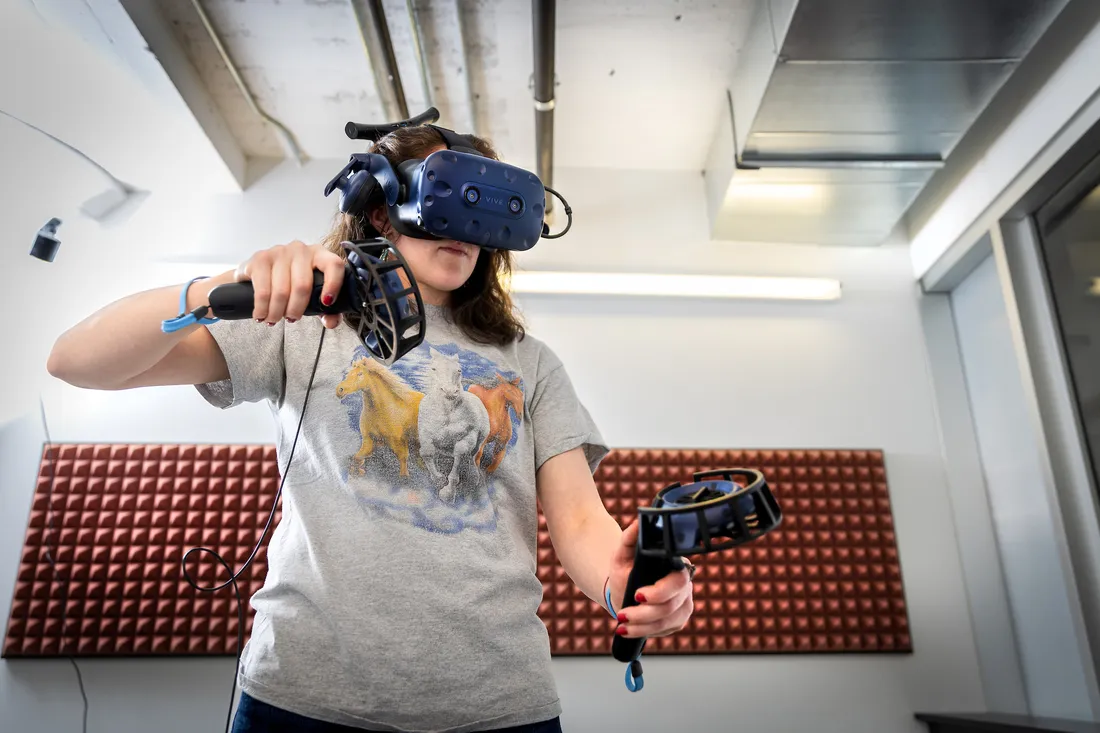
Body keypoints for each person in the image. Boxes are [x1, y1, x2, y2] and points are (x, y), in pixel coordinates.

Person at [46, 125, 695, 733]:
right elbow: (75, 361)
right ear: (381, 209)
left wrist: (630, 587)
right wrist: (223, 282)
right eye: (447, 198)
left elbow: (583, 524)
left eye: (484, 210)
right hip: (301, 696)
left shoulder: (530, 362)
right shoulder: (304, 324)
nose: (465, 228)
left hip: (498, 702)